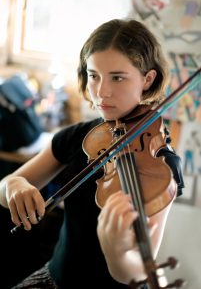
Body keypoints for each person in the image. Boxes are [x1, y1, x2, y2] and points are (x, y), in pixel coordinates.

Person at [0, 18, 184, 289]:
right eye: (94, 75)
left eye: (118, 77)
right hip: (55, 279)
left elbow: (138, 271)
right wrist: (14, 184)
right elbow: (4, 188)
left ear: (147, 79)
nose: (101, 92)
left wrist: (117, 252)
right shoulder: (78, 137)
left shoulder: (161, 165)